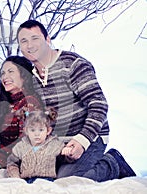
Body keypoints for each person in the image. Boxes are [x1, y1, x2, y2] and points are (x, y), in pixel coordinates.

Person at [16, 19, 136, 182]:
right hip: (58, 143)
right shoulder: (33, 77)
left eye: (35, 38)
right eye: (24, 41)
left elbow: (99, 105)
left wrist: (82, 140)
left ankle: (112, 163)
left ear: (47, 39)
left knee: (67, 182)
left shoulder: (73, 65)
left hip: (90, 136)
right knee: (38, 181)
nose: (30, 45)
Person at [7, 109, 72, 183]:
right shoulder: (21, 146)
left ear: (48, 131)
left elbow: (64, 159)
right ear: (26, 131)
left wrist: (67, 153)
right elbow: (12, 163)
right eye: (32, 130)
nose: (37, 134)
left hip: (47, 180)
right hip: (26, 180)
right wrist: (16, 177)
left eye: (41, 130)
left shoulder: (55, 145)